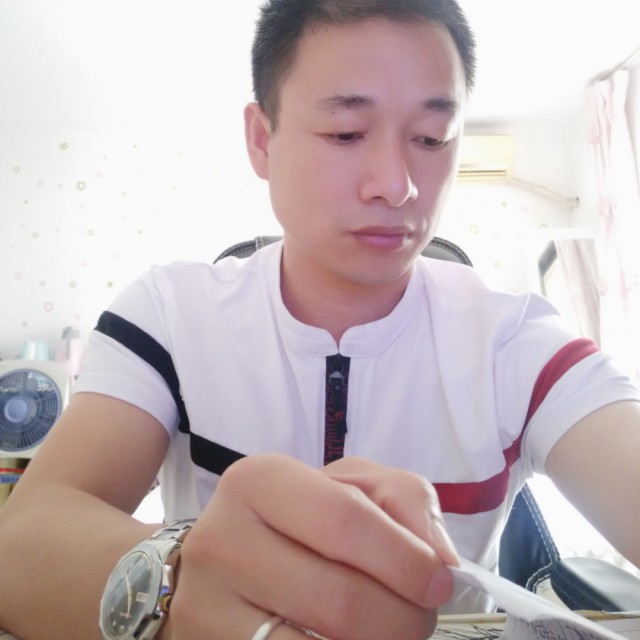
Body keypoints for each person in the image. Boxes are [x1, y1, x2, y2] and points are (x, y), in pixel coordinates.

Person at [1, 0, 639, 639]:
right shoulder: (170, 315)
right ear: (262, 140)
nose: (397, 185)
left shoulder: (517, 344)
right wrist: (178, 585)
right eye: (346, 133)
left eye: (430, 138)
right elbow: (21, 547)